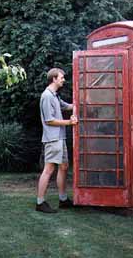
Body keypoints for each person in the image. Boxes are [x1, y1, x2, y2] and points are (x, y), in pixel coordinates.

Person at [36, 68, 77, 213]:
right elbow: (49, 120)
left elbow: (67, 106)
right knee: (49, 169)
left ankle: (63, 199)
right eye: (61, 77)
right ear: (54, 79)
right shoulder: (47, 96)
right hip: (53, 139)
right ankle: (40, 202)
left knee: (64, 167)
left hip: (60, 137)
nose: (63, 80)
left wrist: (84, 102)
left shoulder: (55, 96)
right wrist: (69, 123)